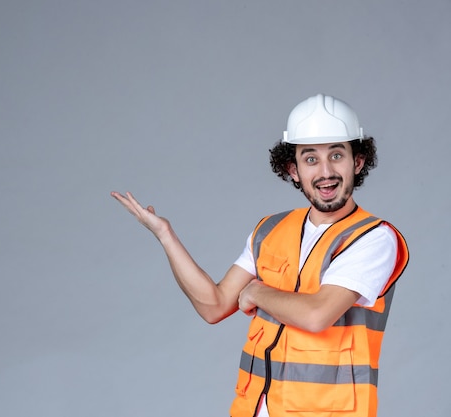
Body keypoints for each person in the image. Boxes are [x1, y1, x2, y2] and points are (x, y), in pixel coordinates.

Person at [110, 93, 409, 417]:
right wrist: (165, 235)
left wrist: (257, 291)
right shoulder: (271, 230)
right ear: (292, 169)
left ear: (357, 161)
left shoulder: (374, 238)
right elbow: (214, 306)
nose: (326, 171)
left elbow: (316, 315)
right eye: (310, 159)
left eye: (337, 155)